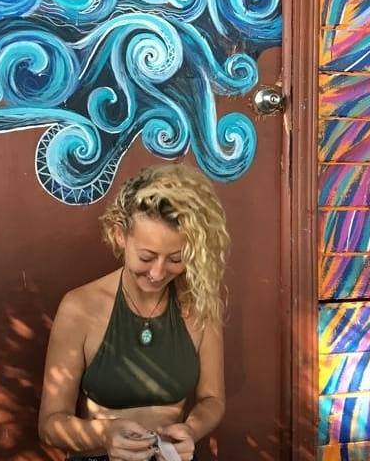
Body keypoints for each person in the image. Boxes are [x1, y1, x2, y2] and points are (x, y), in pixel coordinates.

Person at [38, 164, 229, 461]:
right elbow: (50, 425)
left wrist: (191, 430)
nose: (158, 273)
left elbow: (212, 399)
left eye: (175, 259)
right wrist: (103, 435)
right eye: (147, 257)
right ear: (120, 236)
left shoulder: (199, 303)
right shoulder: (80, 307)